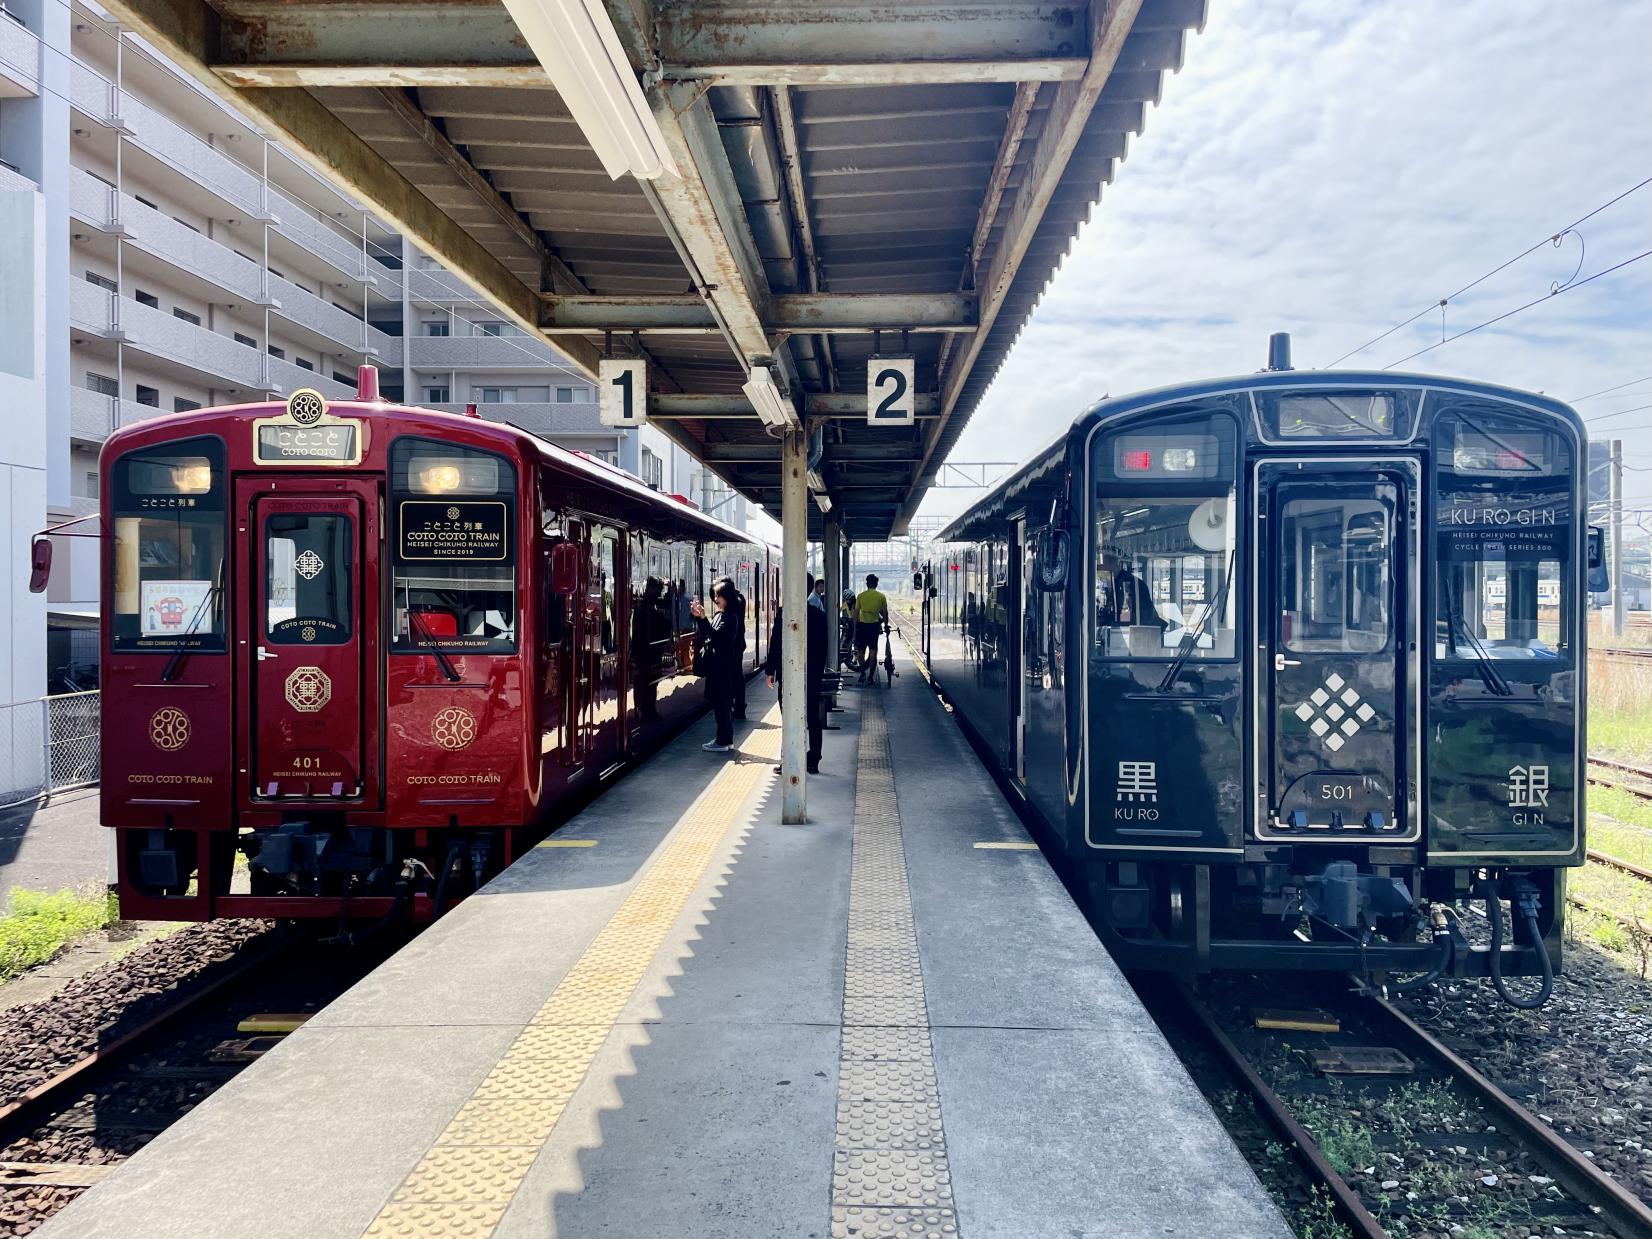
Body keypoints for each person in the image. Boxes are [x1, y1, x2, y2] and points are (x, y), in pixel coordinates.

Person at [766, 572, 828, 773]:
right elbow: (822, 650)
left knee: (789, 718)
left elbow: (776, 644)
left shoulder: (784, 613)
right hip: (812, 676)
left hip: (788, 674)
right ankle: (813, 760)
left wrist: (770, 671)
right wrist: (817, 674)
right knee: (812, 717)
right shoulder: (819, 616)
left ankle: (790, 760)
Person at [690, 578, 743, 753]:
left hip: (722, 668)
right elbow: (709, 634)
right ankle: (724, 738)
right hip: (718, 667)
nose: (715, 599)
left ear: (727, 597)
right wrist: (700, 619)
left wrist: (703, 619)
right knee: (720, 704)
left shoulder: (730, 618)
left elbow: (717, 638)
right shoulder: (722, 615)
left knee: (722, 704)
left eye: (719, 596)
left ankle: (723, 740)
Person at [852, 573, 888, 684]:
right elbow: (885, 613)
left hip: (862, 626)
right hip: (874, 627)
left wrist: (855, 629)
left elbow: (856, 614)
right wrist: (886, 625)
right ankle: (871, 677)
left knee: (860, 653)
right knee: (873, 652)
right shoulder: (881, 596)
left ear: (867, 584)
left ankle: (863, 673)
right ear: (876, 584)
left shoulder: (861, 596)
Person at [731, 582, 749, 721]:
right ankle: (739, 706)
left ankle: (738, 707)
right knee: (737, 676)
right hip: (738, 644)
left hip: (733, 646)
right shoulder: (740, 598)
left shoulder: (735, 602)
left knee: (735, 676)